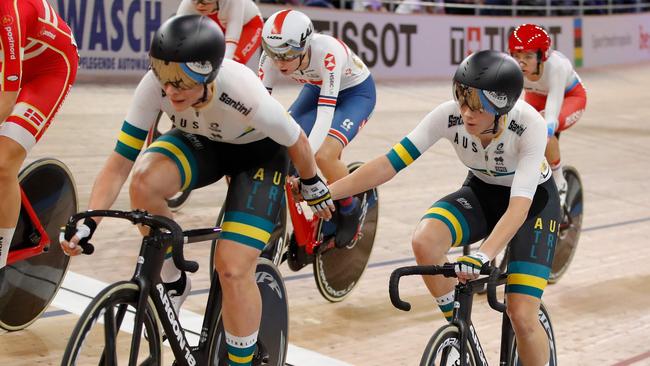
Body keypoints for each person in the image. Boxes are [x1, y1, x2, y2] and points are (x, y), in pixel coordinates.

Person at [60, 15, 333, 366]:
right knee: (144, 180)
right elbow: (119, 163)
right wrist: (89, 222)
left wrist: (311, 182)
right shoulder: (155, 86)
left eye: (181, 84)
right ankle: (173, 281)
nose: (169, 92)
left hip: (259, 156)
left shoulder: (242, 92)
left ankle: (241, 360)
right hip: (203, 142)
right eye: (164, 80)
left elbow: (296, 140)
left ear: (208, 76)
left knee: (233, 269)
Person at [329, 50, 561, 366]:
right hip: (481, 193)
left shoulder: (528, 125)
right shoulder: (447, 115)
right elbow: (388, 164)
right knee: (425, 240)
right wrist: (326, 193)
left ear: (501, 107)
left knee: (521, 313)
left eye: (476, 106)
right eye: (461, 98)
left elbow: (519, 208)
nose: (465, 112)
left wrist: (483, 254)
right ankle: (462, 332)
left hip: (533, 206)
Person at [259, 9, 376, 248]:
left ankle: (349, 208)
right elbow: (259, 108)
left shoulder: (327, 52)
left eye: (288, 54)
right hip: (316, 89)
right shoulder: (269, 60)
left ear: (305, 45)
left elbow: (325, 115)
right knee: (279, 147)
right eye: (274, 53)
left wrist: (304, 165)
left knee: (324, 155)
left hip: (356, 94)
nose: (280, 62)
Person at [0, 0, 79, 270]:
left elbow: (7, 99)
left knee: (3, 162)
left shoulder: (9, 14)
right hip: (13, 66)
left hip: (49, 71)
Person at [509, 24, 587, 206]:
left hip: (570, 97)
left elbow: (551, 117)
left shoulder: (557, 66)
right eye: (517, 56)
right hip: (536, 96)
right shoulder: (512, 66)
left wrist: (543, 129)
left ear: (541, 56)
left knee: (544, 127)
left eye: (528, 56)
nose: (521, 62)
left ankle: (560, 182)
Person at [177, 0, 264, 65]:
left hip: (248, 25)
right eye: (196, 1)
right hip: (220, 23)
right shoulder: (187, 3)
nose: (200, 6)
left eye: (205, 2)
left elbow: (231, 43)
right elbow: (177, 36)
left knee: (233, 62)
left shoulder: (234, 2)